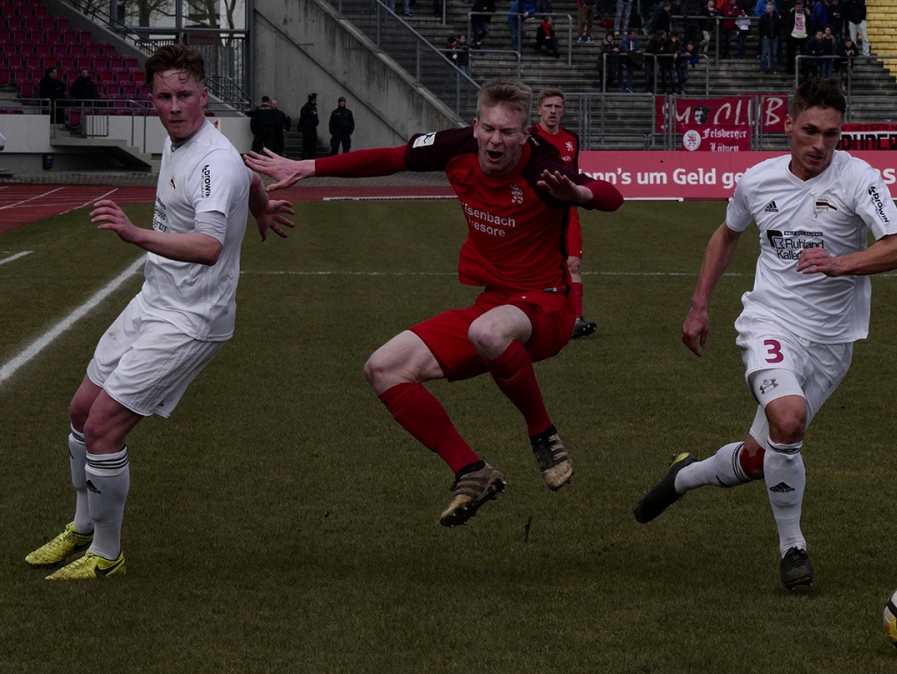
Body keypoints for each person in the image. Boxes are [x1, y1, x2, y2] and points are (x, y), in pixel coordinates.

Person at [245, 78, 624, 527]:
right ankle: (472, 470)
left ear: (526, 133)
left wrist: (579, 195)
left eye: (507, 132)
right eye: (488, 128)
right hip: (494, 305)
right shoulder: (455, 145)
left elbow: (612, 197)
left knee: (487, 332)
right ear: (475, 125)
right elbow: (391, 158)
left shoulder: (544, 166)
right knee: (383, 369)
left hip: (547, 307)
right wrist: (308, 166)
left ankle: (543, 434)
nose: (494, 140)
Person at [24, 44, 294, 581]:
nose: (175, 107)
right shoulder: (184, 142)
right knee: (81, 411)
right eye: (164, 97)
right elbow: (250, 177)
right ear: (151, 100)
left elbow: (209, 246)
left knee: (103, 428)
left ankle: (107, 555)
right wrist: (262, 208)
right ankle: (82, 526)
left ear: (203, 96)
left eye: (184, 95)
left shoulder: (213, 160)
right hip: (155, 299)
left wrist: (134, 234)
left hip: (193, 318)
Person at [633, 77, 897, 590]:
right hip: (771, 322)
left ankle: (683, 476)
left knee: (760, 458)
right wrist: (699, 305)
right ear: (788, 125)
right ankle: (793, 549)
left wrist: (842, 262)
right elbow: (727, 235)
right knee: (788, 418)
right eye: (809, 131)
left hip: (832, 343)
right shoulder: (757, 181)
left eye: (831, 134)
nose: (819, 145)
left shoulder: (859, 178)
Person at [531, 89, 598, 338]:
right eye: (548, 106)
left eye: (557, 107)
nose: (553, 111)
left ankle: (575, 320)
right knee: (538, 266)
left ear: (564, 111)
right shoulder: (529, 137)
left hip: (567, 211)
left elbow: (574, 173)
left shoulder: (571, 139)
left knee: (574, 264)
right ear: (538, 110)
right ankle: (537, 318)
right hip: (535, 211)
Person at [784, 0, 811, 74]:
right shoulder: (791, 14)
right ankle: (790, 69)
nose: (798, 7)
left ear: (802, 5)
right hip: (793, 36)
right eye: (797, 5)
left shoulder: (806, 14)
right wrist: (789, 34)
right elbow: (787, 24)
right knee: (791, 54)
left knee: (804, 54)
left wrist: (808, 34)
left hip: (804, 36)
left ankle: (804, 70)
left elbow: (809, 24)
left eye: (800, 5)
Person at [759, 2, 781, 73]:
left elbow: (779, 27)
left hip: (774, 37)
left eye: (768, 8)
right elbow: (760, 28)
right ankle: (762, 68)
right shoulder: (763, 17)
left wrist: (777, 35)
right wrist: (763, 35)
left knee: (774, 54)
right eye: (767, 8)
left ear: (772, 9)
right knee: (764, 53)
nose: (767, 9)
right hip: (766, 37)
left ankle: (773, 68)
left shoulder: (776, 17)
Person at [298, 93, 320, 160]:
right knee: (307, 148)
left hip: (313, 130)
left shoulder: (314, 108)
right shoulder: (306, 108)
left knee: (313, 148)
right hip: (307, 131)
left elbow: (316, 119)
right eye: (315, 98)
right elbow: (303, 120)